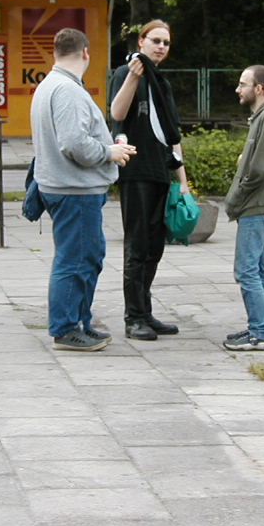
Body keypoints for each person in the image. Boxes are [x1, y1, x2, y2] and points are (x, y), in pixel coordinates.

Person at [31, 28, 136, 352]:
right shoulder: (67, 90)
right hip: (74, 190)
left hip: (66, 187)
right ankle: (66, 329)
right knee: (76, 260)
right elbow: (74, 144)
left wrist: (107, 145)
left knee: (84, 257)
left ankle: (79, 323)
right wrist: (109, 152)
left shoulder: (50, 85)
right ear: (86, 52)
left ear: (55, 51)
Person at [109, 19, 190, 341]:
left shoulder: (162, 82)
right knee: (137, 245)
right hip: (136, 171)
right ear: (141, 41)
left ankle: (145, 311)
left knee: (155, 247)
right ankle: (133, 317)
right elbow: (117, 114)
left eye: (166, 43)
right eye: (155, 40)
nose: (161, 47)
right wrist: (133, 77)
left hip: (160, 171)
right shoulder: (124, 73)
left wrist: (183, 182)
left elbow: (173, 134)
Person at [222, 65, 264, 351]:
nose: (238, 89)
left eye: (243, 84)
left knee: (246, 270)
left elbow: (261, 167)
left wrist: (238, 193)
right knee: (258, 269)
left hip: (256, 204)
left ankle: (261, 333)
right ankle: (263, 328)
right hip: (258, 203)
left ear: (259, 88)